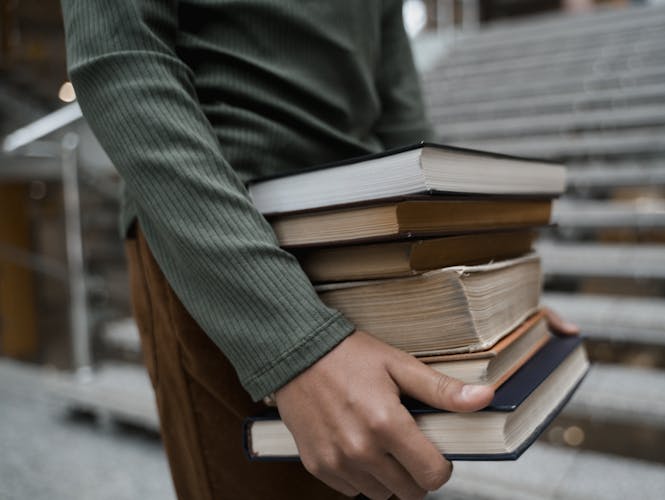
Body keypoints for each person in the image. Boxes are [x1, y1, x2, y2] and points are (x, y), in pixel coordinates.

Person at [61, 1, 579, 499]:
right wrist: (294, 342)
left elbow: (401, 114)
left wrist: (493, 290)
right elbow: (122, 60)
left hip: (368, 242)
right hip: (225, 240)